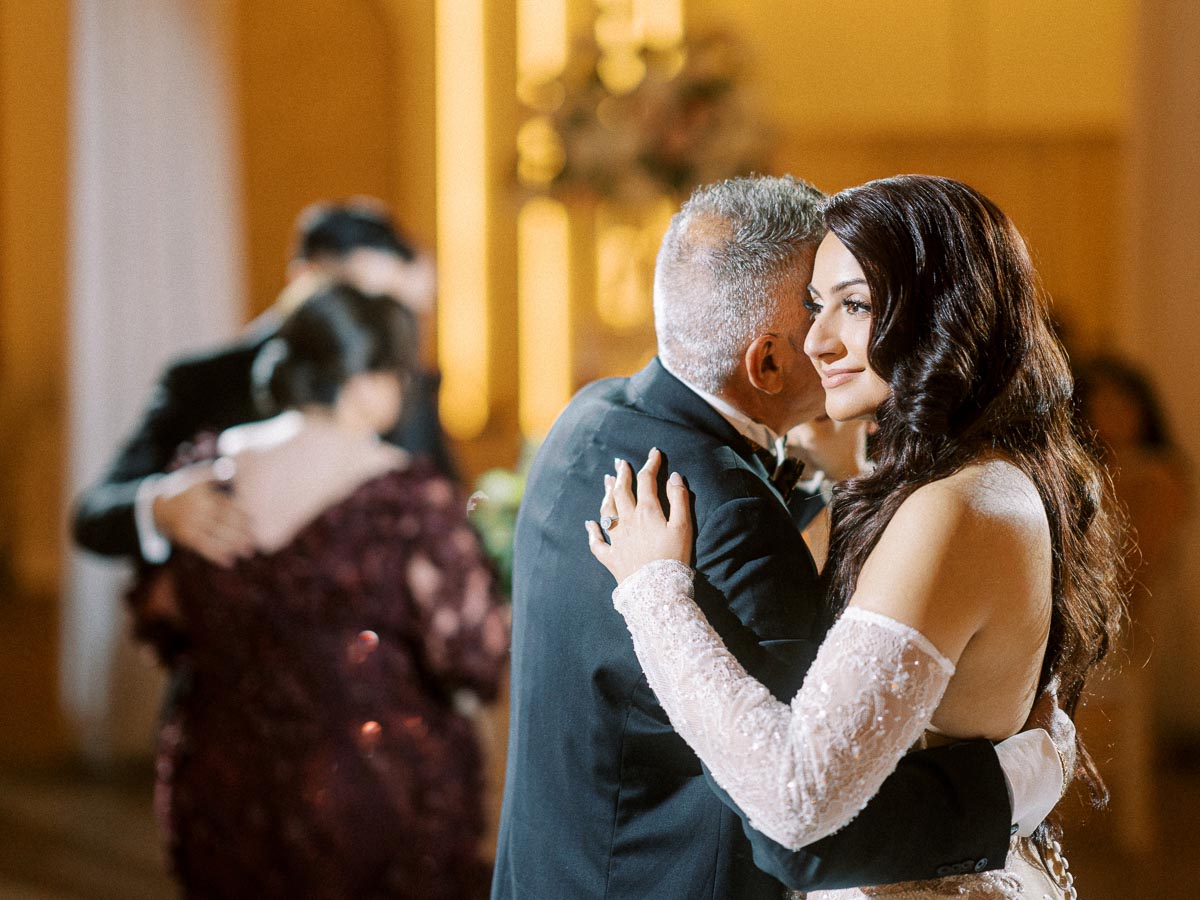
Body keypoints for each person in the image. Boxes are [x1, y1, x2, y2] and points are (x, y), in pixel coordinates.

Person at [493, 176, 1075, 900]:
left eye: (851, 303)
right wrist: (1027, 776)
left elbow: (803, 816)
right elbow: (804, 829)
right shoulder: (735, 511)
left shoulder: (593, 417)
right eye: (813, 308)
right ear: (766, 363)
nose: (823, 337)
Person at [127, 283, 509, 898]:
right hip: (371, 796)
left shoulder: (202, 476)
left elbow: (161, 615)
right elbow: (471, 654)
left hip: (220, 788)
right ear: (366, 384)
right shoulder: (405, 498)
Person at [71, 199, 455, 569]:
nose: (375, 323)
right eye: (358, 296)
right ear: (304, 278)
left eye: (389, 303)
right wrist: (160, 509)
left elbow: (453, 503)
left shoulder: (406, 386)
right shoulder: (201, 381)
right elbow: (92, 514)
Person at [1074, 354, 1189, 854]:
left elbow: (1140, 573)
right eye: (1100, 403)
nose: (1112, 414)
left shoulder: (1156, 476)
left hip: (1118, 623)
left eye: (1123, 403)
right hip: (1073, 614)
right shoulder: (1078, 470)